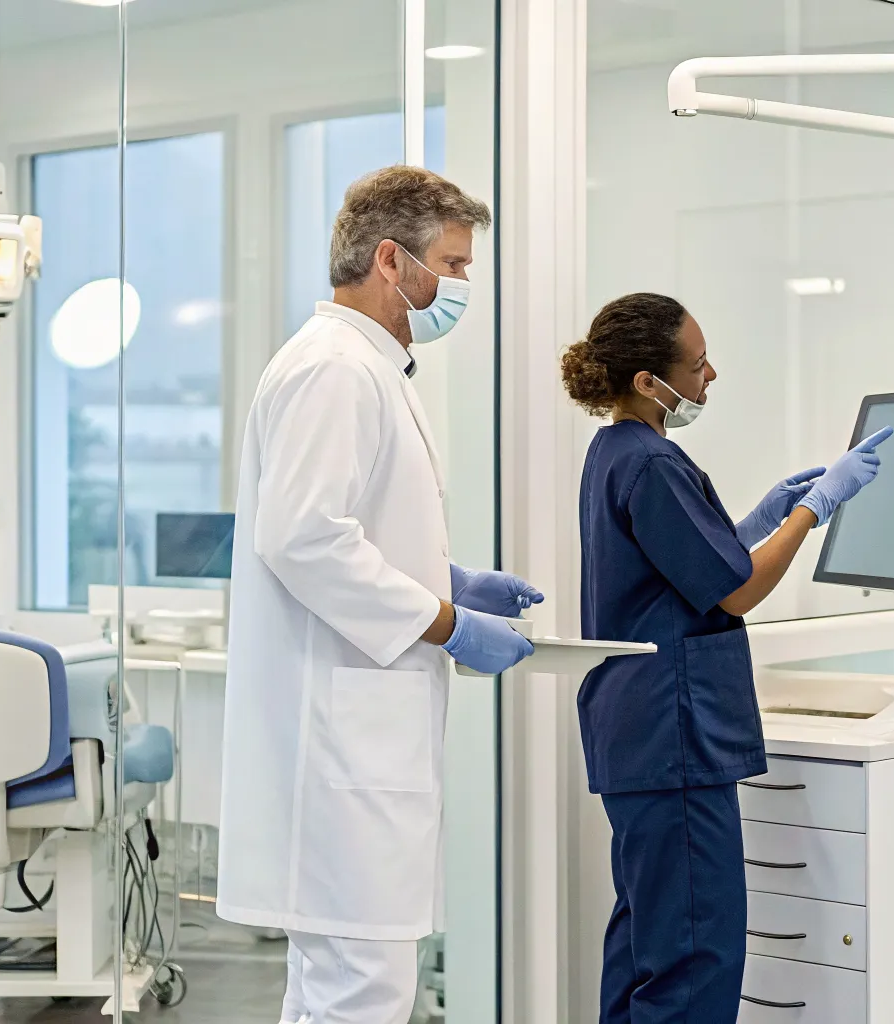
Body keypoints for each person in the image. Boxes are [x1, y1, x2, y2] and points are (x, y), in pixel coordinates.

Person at [220, 165, 543, 1024]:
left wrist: (448, 580)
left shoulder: (369, 369)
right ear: (392, 261)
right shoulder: (334, 370)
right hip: (338, 750)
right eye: (456, 263)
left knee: (340, 993)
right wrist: (446, 621)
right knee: (361, 994)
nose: (464, 285)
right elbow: (302, 537)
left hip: (355, 746)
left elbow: (350, 529)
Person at [561, 293, 892, 1024]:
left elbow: (679, 572)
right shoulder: (651, 461)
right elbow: (737, 593)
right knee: (693, 958)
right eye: (696, 363)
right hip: (673, 735)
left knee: (647, 944)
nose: (712, 374)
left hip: (639, 733)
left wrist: (759, 518)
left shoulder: (615, 452)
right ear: (649, 381)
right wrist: (814, 511)